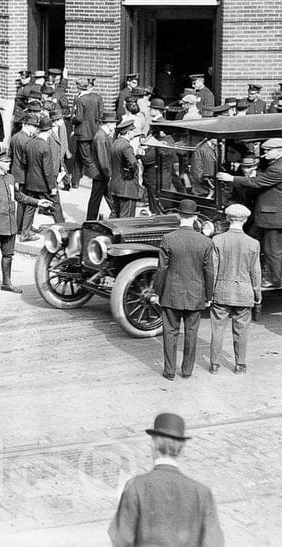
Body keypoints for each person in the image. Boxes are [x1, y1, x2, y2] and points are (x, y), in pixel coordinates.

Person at [109, 413, 223, 547]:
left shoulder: (135, 486)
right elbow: (214, 542)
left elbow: (121, 539)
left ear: (153, 445)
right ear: (181, 449)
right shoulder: (202, 493)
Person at [150, 199, 214, 380]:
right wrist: (209, 296)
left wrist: (157, 291)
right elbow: (209, 272)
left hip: (171, 294)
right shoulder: (206, 242)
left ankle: (169, 371)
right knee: (191, 333)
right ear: (195, 218)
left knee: (170, 332)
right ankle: (187, 371)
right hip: (195, 295)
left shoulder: (168, 239)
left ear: (179, 216)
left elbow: (161, 269)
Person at [0, 151, 50, 296]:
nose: (9, 164)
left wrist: (37, 202)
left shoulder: (10, 178)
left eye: (9, 162)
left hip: (10, 225)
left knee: (8, 255)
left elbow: (17, 196)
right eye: (6, 162)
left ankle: (6, 283)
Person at [217, 137, 282, 288]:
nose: (265, 153)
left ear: (279, 152)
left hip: (273, 217)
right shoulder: (275, 164)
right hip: (266, 216)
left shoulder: (277, 168)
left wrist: (231, 178)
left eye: (268, 151)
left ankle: (276, 280)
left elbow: (256, 183)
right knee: (254, 240)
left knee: (272, 250)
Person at [209, 203, 261, 374]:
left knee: (217, 328)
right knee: (242, 330)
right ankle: (240, 364)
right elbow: (255, 271)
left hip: (222, 290)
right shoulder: (253, 243)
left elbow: (213, 269)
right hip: (244, 292)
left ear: (227, 218)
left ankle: (214, 364)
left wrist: (210, 292)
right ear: (245, 220)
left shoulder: (217, 240)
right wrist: (257, 291)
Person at [86, 113, 117, 220]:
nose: (115, 126)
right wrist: (109, 174)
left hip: (101, 173)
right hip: (101, 173)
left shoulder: (104, 135)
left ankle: (92, 220)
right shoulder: (101, 136)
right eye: (113, 123)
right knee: (96, 199)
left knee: (101, 198)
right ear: (108, 124)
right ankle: (91, 220)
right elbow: (102, 158)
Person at [109, 118, 142, 218]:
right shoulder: (127, 147)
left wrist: (135, 156)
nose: (134, 134)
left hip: (116, 186)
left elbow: (120, 161)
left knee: (114, 216)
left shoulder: (115, 143)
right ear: (128, 132)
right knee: (126, 220)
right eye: (133, 131)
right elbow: (134, 166)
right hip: (127, 189)